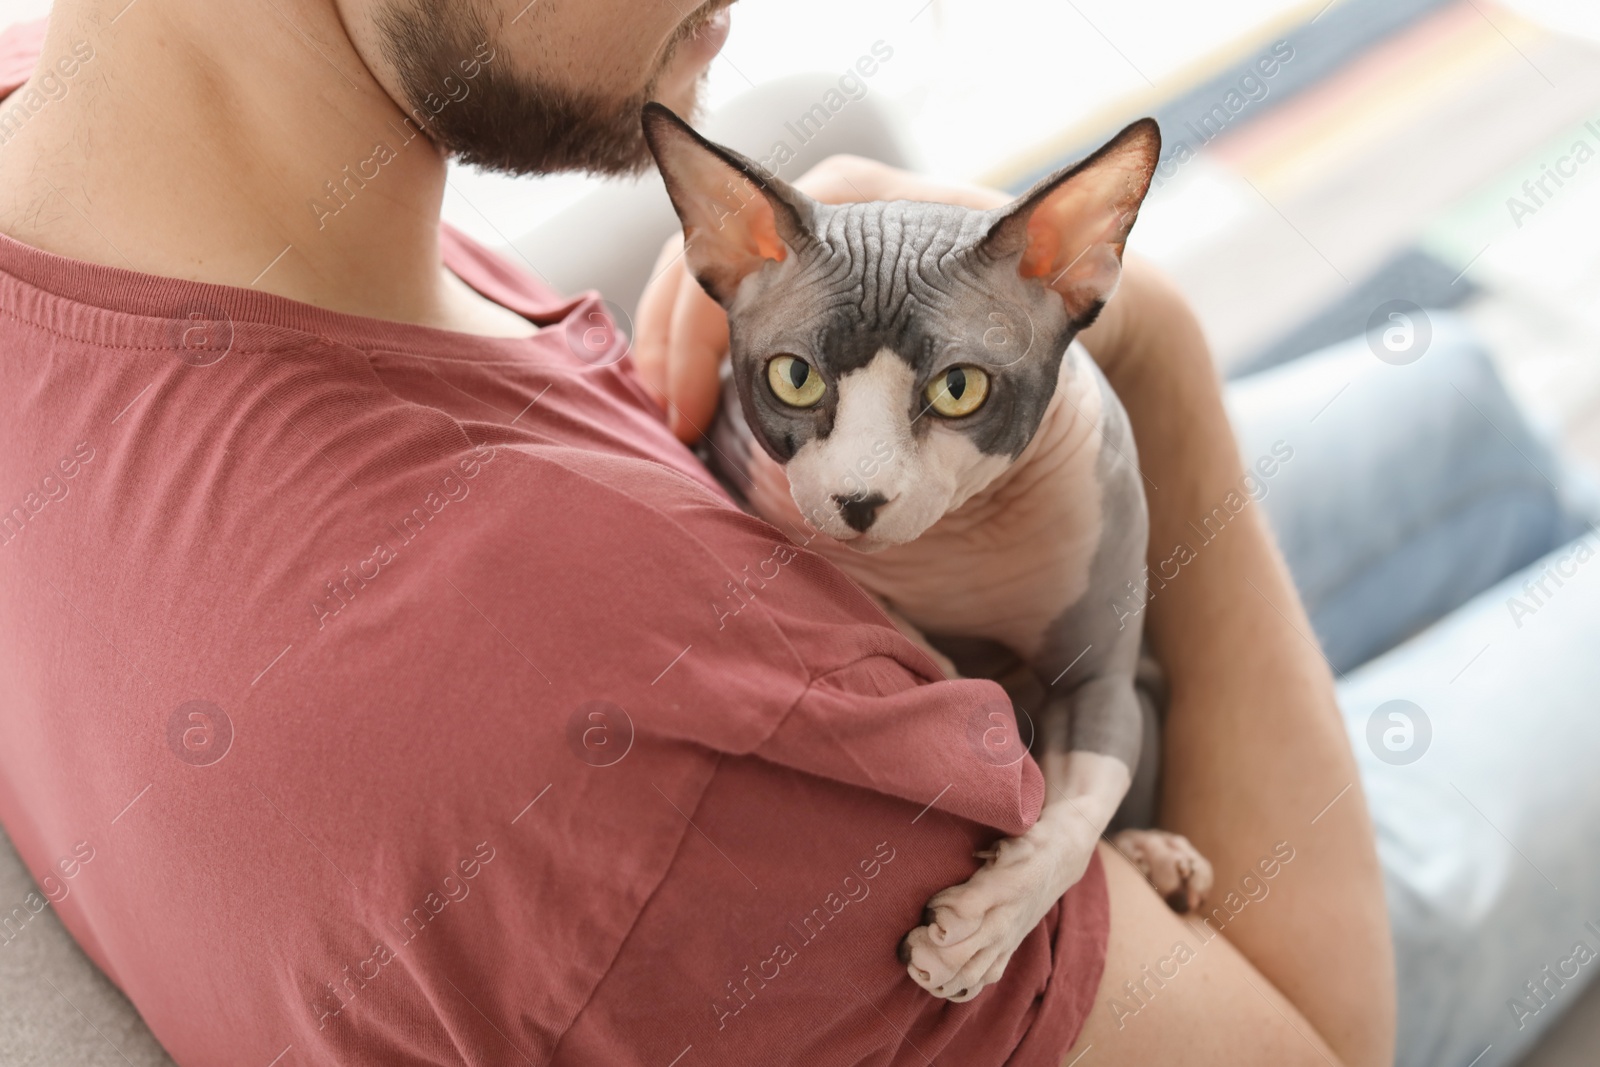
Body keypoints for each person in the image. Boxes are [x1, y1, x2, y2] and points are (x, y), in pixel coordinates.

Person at [2, 1, 1592, 1064]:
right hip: (1112, 930)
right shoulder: (597, 725)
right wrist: (1146, 356)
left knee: (1448, 410)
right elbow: (1316, 1048)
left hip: (889, 693)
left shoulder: (101, 168)